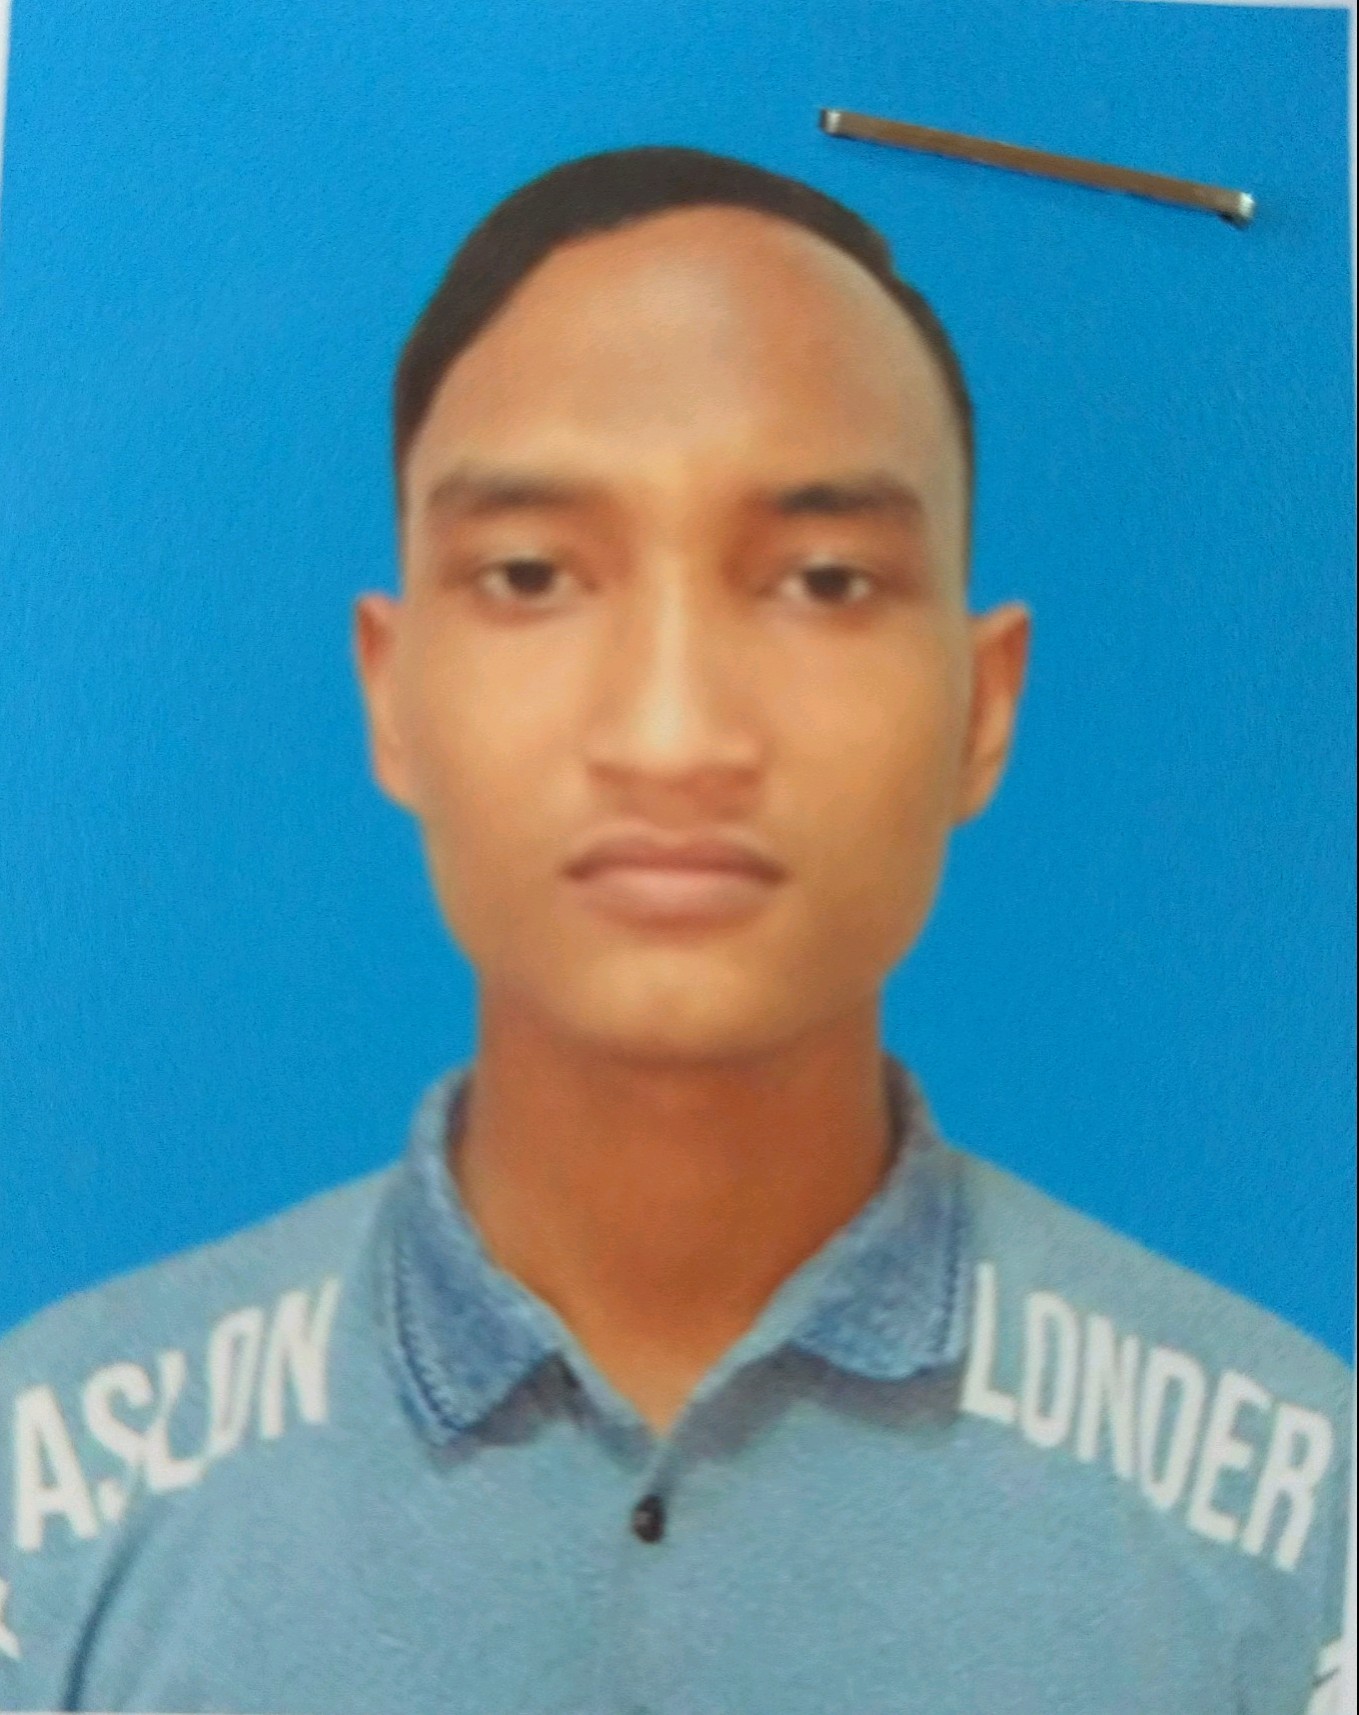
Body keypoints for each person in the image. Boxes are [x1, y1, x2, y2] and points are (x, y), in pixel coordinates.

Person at [0, 145, 1350, 1715]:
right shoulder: (52, 1506)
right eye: (530, 574)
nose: (672, 732)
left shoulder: (1296, 1535)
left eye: (825, 581)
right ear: (393, 691)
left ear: (983, 708)